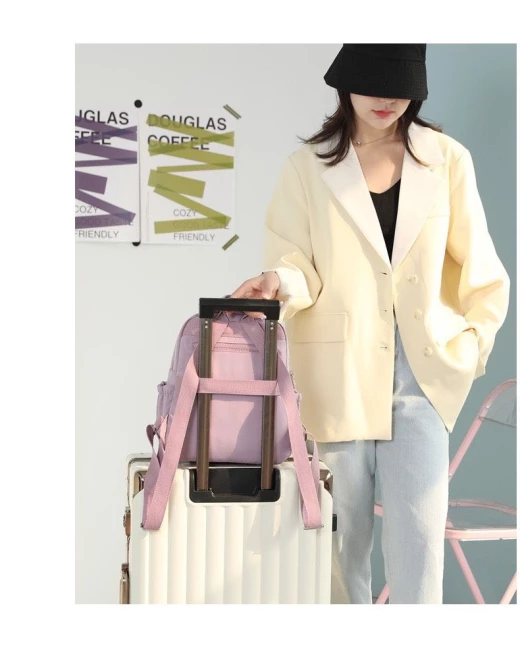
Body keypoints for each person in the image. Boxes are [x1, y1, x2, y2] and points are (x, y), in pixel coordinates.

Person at [230, 44, 510, 604]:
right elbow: (297, 263)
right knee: (335, 559)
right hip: (337, 375)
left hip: (421, 380)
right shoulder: (308, 168)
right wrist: (276, 282)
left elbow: (483, 272)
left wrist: (468, 349)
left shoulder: (447, 160)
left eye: (400, 87)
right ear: (345, 82)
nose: (387, 99)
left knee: (420, 558)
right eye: (373, 83)